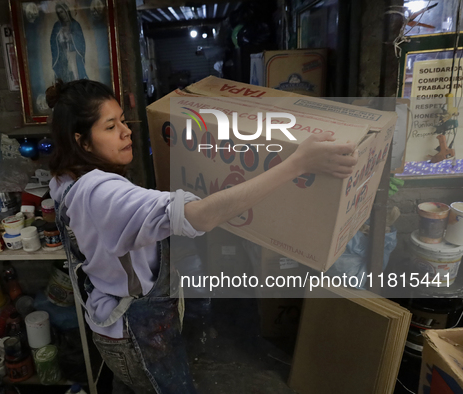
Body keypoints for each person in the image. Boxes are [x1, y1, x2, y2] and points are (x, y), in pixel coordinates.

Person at [47, 79, 358, 393]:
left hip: (108, 328)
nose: (127, 132)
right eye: (111, 126)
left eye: (123, 121)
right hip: (138, 334)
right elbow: (202, 216)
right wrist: (297, 163)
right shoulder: (102, 192)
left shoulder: (65, 181)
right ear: (82, 142)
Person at [50, 3, 88, 83]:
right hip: (62, 56)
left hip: (73, 55)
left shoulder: (75, 25)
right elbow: (53, 41)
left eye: (62, 11)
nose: (61, 14)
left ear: (66, 11)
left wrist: (71, 37)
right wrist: (58, 37)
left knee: (75, 75)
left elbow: (80, 41)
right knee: (65, 75)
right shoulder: (57, 25)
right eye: (58, 13)